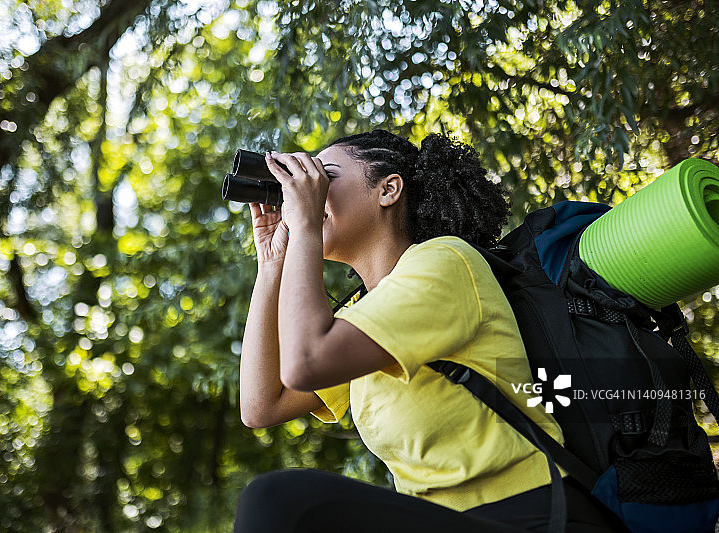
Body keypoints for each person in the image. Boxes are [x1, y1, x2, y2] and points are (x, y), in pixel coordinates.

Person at [233, 130, 627, 532]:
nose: (309, 190)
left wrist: (303, 228)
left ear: (388, 190)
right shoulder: (359, 316)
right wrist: (271, 265)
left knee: (278, 501)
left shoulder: (444, 260)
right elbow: (262, 406)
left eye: (325, 176)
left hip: (533, 516)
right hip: (443, 519)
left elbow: (306, 362)